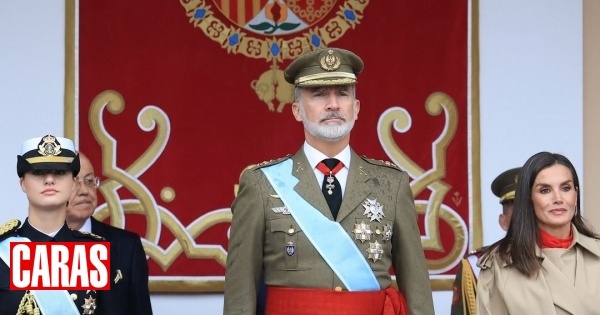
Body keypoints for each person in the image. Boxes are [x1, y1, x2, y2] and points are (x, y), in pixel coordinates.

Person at [223, 48, 435, 315]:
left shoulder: (391, 184)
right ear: (297, 110)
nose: (333, 104)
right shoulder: (262, 185)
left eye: (342, 93)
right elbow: (240, 295)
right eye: (320, 94)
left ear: (356, 108)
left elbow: (416, 290)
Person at [476, 152, 600, 314]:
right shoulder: (500, 266)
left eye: (566, 188)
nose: (558, 198)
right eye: (545, 190)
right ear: (528, 198)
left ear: (575, 195)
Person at [0, 135, 104, 314]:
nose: (49, 179)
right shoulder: (3, 251)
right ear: (22, 183)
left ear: (73, 183)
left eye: (60, 172)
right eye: (38, 172)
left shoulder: (96, 250)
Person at [66, 152, 153, 315]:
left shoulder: (127, 247)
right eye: (74, 182)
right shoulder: (27, 245)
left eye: (89, 181)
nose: (84, 190)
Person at [450, 167, 520, 315]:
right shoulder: (476, 265)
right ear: (503, 221)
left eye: (529, 210)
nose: (524, 219)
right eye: (517, 212)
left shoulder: (561, 257)